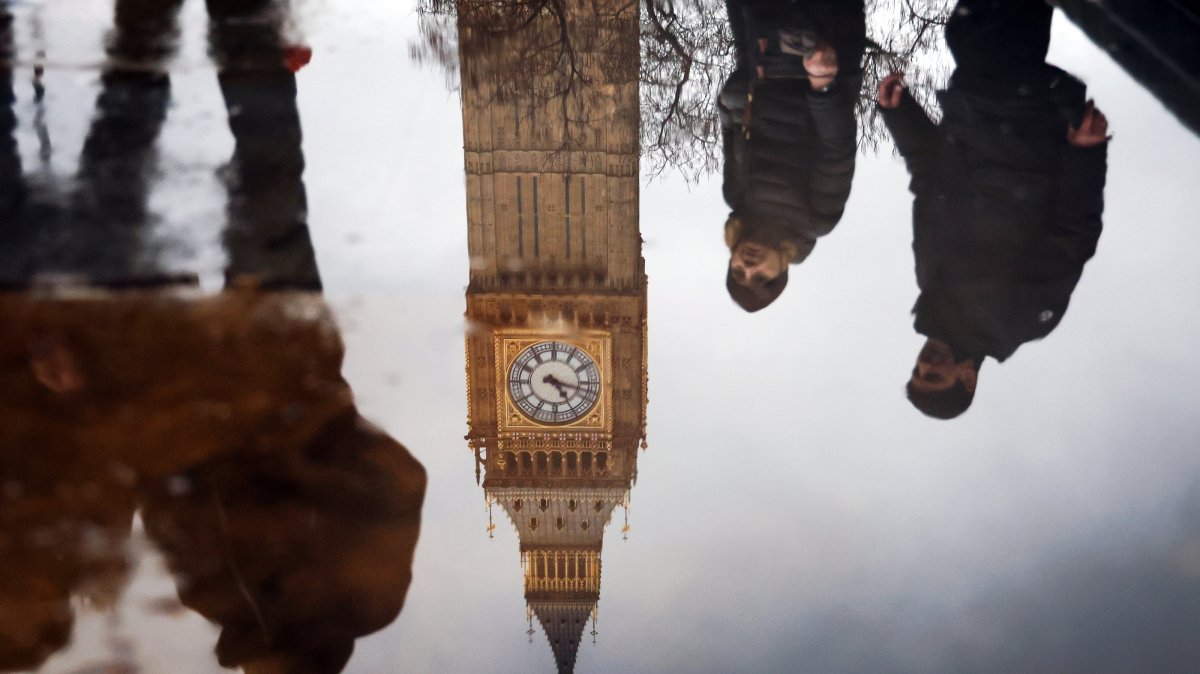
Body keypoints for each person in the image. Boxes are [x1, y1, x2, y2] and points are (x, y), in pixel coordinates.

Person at [877, 0, 1110, 419]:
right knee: (982, 39)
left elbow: (930, 184)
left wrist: (899, 114)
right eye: (934, 376)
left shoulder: (929, 284)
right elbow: (1073, 236)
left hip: (971, 118)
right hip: (1025, 130)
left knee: (968, 31)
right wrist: (1087, 155)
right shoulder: (1019, 322)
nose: (925, 363)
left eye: (916, 370)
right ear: (968, 378)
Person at [718, 0, 864, 311]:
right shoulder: (818, 217)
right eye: (760, 278)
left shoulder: (736, 198)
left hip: (760, 60)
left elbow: (732, 130)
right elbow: (837, 147)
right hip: (818, 60)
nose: (748, 266)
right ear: (783, 270)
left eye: (737, 272)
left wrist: (730, 102)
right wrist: (822, 85)